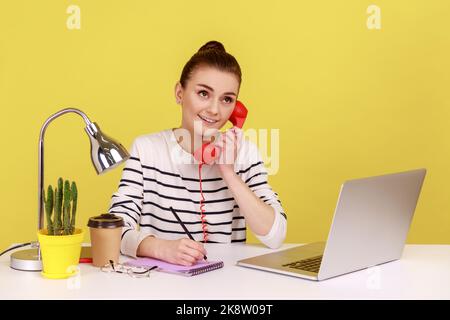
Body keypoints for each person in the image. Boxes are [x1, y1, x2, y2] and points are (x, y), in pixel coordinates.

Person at [108, 40, 287, 266]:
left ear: (236, 108)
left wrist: (229, 172)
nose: (214, 109)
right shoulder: (147, 150)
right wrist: (159, 247)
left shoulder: (245, 152)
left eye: (227, 99)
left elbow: (276, 235)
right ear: (179, 93)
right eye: (203, 93)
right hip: (161, 286)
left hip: (226, 286)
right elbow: (113, 228)